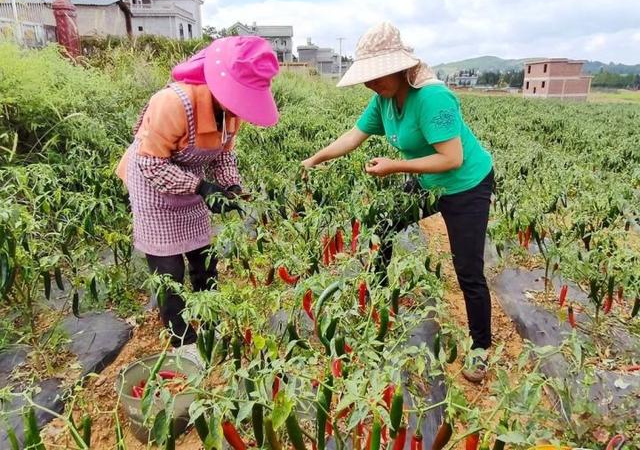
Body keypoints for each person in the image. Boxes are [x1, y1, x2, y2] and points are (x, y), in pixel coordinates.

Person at [302, 22, 494, 383]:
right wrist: (316, 158)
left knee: (468, 270)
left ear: (400, 68)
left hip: (466, 185)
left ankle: (481, 347)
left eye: (377, 76)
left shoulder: (432, 97)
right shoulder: (384, 100)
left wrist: (395, 166)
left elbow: (451, 158)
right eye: (368, 78)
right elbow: (353, 136)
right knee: (382, 227)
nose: (370, 84)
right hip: (425, 181)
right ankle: (375, 297)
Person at [116, 36, 279, 349]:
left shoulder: (232, 113)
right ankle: (184, 340)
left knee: (204, 258)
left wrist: (230, 185)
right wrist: (202, 187)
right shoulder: (173, 102)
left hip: (190, 184)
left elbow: (222, 154)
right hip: (153, 186)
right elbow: (150, 163)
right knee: (169, 272)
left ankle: (210, 322)